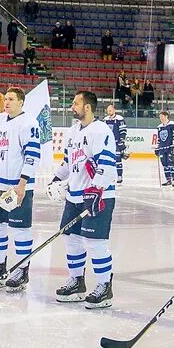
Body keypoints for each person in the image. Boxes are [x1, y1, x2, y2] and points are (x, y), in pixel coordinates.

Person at [47, 91, 118, 308]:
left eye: (76, 103)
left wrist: (96, 189)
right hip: (75, 195)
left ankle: (104, 286)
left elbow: (106, 162)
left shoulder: (101, 130)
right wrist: (55, 178)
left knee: (96, 243)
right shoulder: (72, 132)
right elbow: (69, 163)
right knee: (71, 238)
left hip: (98, 195)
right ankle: (77, 281)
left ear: (87, 107)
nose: (72, 107)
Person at [0, 87, 41, 289]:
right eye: (6, 99)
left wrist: (23, 183)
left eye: (12, 99)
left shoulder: (29, 123)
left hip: (17, 186)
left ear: (21, 102)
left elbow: (33, 156)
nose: (7, 102)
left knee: (20, 229)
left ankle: (22, 270)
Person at [154, 111, 174, 187]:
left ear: (166, 116)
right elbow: (159, 138)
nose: (160, 118)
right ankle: (168, 180)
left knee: (171, 164)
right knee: (165, 164)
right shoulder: (159, 127)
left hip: (171, 148)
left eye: (162, 116)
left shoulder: (173, 125)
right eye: (160, 117)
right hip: (163, 148)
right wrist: (158, 147)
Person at [103, 103, 128, 184]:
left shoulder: (119, 119)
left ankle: (119, 176)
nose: (109, 111)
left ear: (114, 110)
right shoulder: (105, 119)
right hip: (108, 144)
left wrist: (122, 140)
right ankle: (110, 177)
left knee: (118, 160)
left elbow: (123, 130)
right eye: (108, 110)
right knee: (108, 160)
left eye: (110, 110)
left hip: (116, 143)